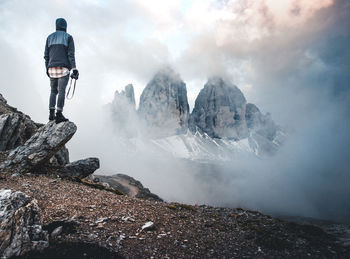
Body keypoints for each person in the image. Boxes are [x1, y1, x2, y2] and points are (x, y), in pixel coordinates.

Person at [44, 18, 79, 123]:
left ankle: (51, 114)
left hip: (51, 68)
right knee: (61, 91)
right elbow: (70, 55)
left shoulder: (49, 37)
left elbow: (46, 56)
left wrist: (47, 68)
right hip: (63, 69)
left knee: (53, 91)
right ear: (65, 26)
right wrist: (74, 68)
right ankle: (59, 114)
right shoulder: (68, 37)